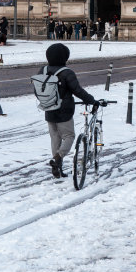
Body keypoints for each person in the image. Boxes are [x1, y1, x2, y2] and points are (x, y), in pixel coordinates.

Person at [37, 42, 98, 178]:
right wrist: (92, 101)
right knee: (69, 136)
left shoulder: (43, 70)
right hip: (64, 111)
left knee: (55, 138)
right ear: (64, 57)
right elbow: (78, 91)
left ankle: (57, 166)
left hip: (48, 109)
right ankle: (58, 158)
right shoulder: (67, 73)